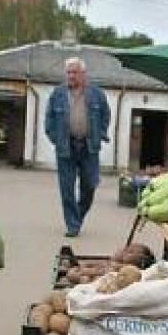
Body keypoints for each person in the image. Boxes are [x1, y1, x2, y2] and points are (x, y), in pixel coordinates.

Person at [44, 57, 111, 237]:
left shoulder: (96, 94)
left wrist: (100, 133)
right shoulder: (57, 94)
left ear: (83, 74)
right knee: (66, 188)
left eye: (74, 72)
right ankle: (72, 225)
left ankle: (78, 215)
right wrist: (55, 139)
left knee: (90, 185)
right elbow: (49, 119)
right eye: (68, 72)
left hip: (89, 146)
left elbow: (106, 115)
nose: (71, 76)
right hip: (66, 146)